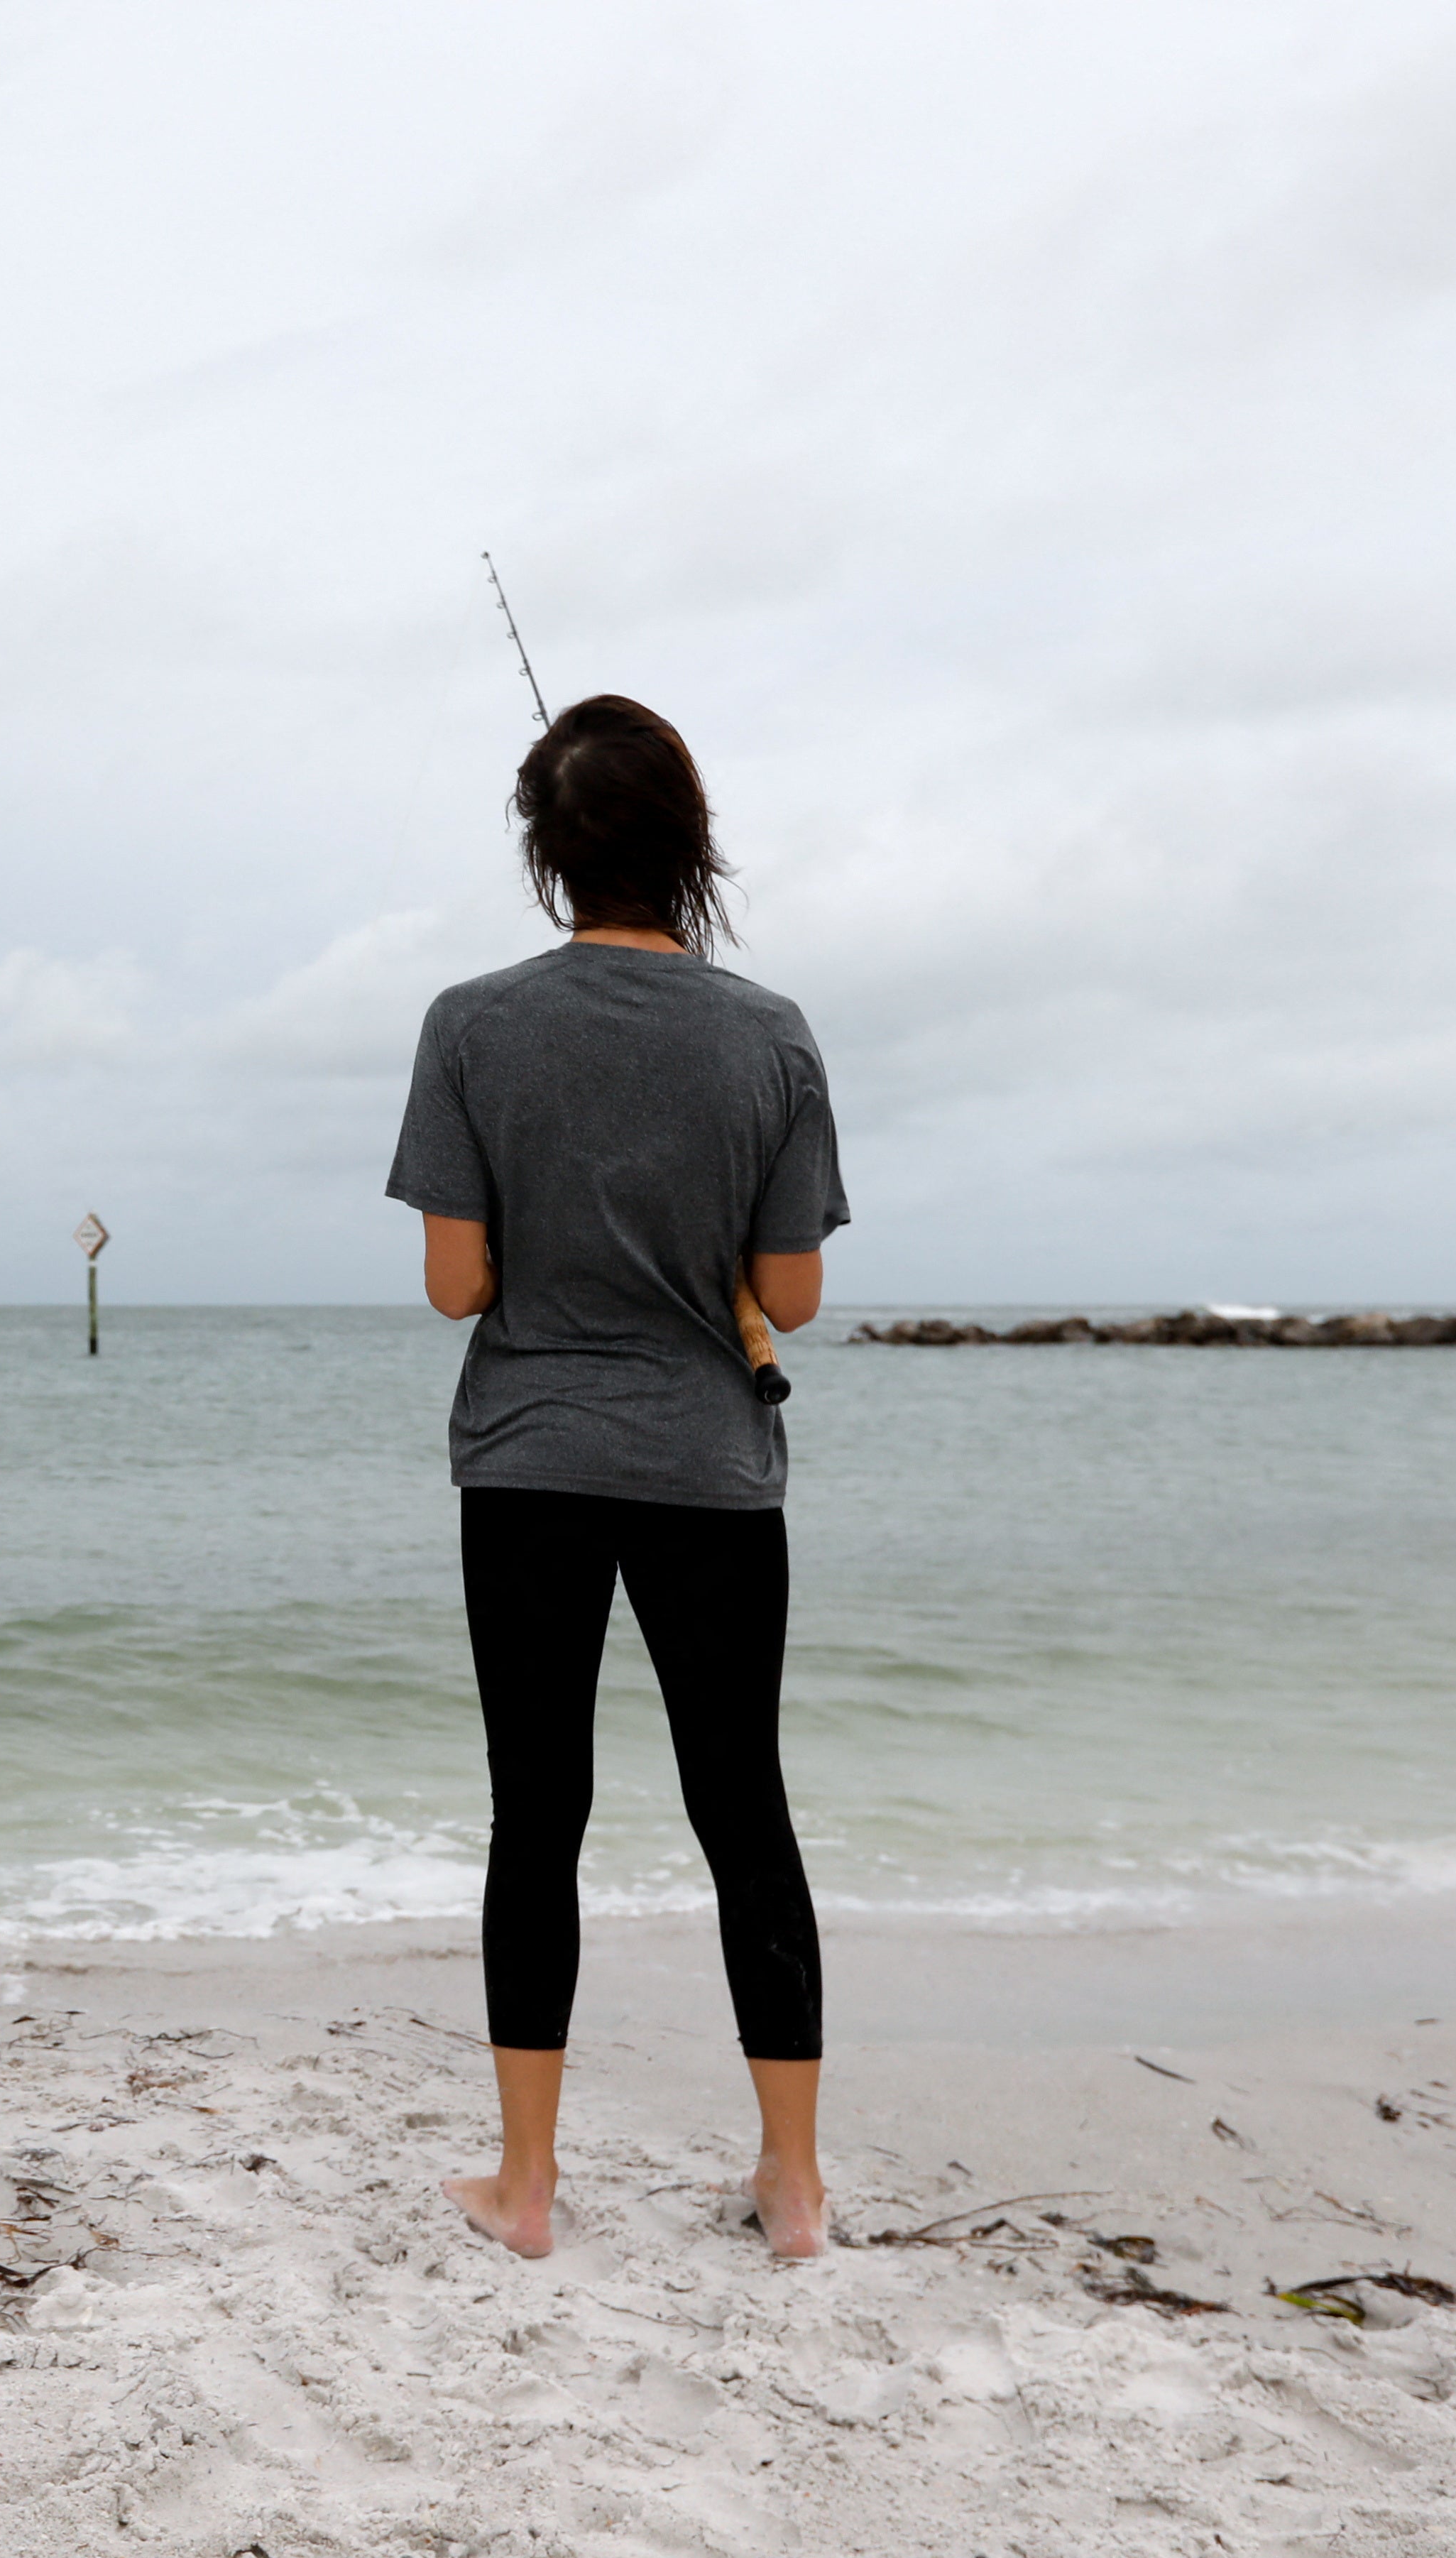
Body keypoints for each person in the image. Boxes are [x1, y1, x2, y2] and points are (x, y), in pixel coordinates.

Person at [384, 694, 846, 2260]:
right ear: (687, 842)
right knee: (743, 1813)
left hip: (524, 1463)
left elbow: (457, 1288)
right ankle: (789, 2184)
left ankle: (523, 2190)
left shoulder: (469, 1025)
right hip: (713, 1468)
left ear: (544, 850)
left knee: (538, 1812)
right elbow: (785, 1299)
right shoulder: (770, 1035)